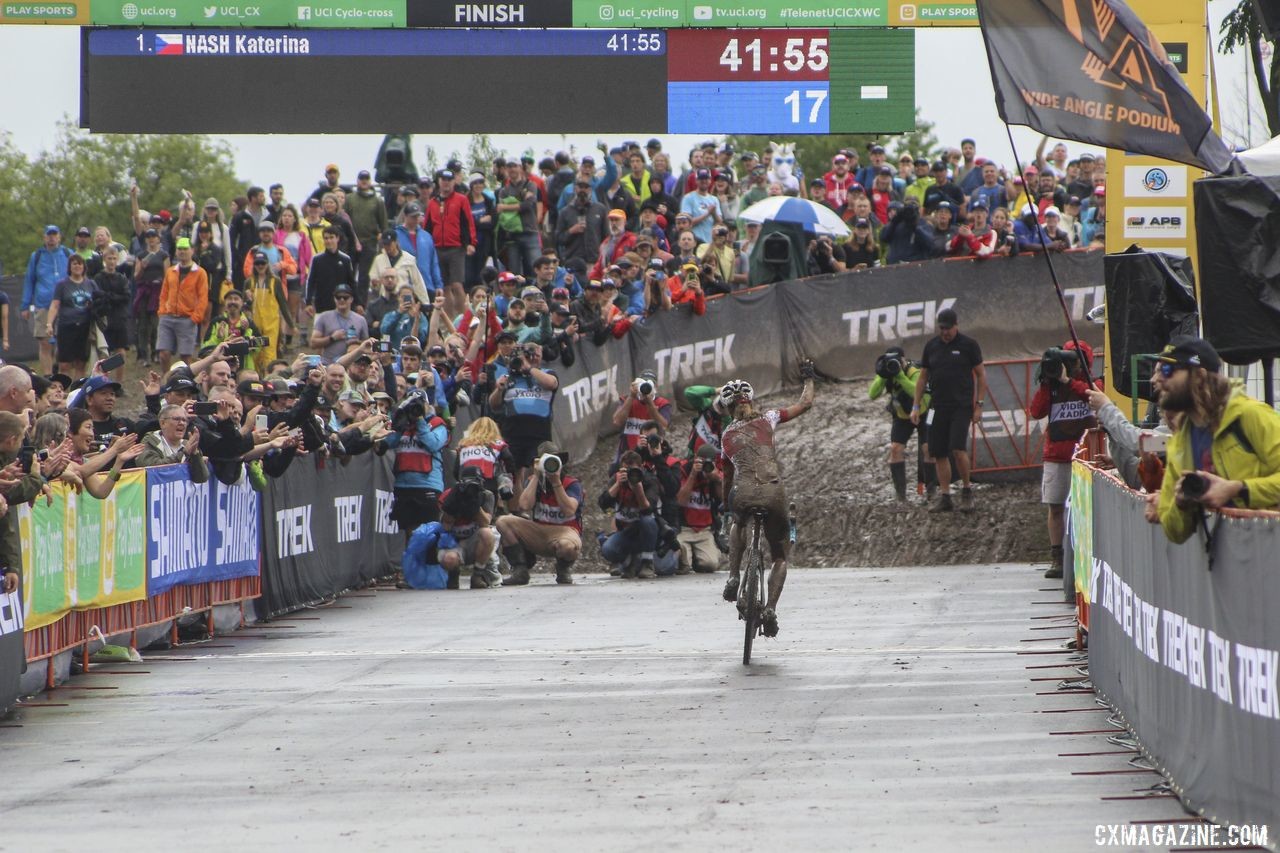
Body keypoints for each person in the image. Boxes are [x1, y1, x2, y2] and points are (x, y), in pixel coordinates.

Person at [719, 361, 816, 639]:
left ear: (728, 409)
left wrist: (728, 506)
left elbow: (726, 480)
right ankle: (771, 607)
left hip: (744, 492)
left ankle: (734, 576)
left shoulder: (725, 436)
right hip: (773, 493)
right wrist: (808, 377)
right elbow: (805, 403)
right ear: (751, 401)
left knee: (738, 522)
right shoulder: (769, 417)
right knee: (780, 555)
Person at [1154, 337, 1280, 544]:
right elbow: (1174, 532)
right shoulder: (1180, 441)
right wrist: (1181, 504)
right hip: (1228, 567)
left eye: (1167, 370)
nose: (1156, 379)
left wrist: (1239, 489)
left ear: (1199, 376)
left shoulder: (1250, 416)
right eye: (1157, 370)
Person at [1028, 341, 1098, 578]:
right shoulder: (1053, 386)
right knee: (1055, 507)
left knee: (1086, 509)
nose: (1069, 366)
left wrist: (1070, 381)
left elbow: (1094, 397)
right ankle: (1057, 557)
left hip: (1086, 457)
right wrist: (1048, 383)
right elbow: (1036, 411)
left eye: (1074, 361)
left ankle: (1085, 555)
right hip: (1057, 455)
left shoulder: (1092, 383)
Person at [912, 308, 987, 513]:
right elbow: (923, 377)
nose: (945, 332)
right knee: (938, 451)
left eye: (948, 328)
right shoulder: (931, 347)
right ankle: (945, 495)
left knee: (957, 449)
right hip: (937, 407)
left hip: (961, 407)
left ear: (956, 326)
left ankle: (966, 489)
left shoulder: (968, 345)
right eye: (942, 328)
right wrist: (916, 406)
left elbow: (981, 375)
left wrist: (978, 405)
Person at [496, 441, 582, 585]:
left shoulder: (571, 484)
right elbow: (523, 505)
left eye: (553, 461)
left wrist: (556, 482)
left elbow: (569, 510)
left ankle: (563, 569)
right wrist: (536, 476)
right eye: (545, 462)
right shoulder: (533, 481)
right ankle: (520, 570)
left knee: (567, 547)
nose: (550, 466)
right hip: (538, 531)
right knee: (503, 521)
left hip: (565, 532)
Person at [486, 341, 558, 487]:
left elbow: (551, 384)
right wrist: (499, 389)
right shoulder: (509, 377)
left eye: (536, 356)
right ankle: (517, 509)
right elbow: (493, 404)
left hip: (539, 433)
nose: (533, 358)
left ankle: (535, 503)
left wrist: (529, 368)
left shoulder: (546, 373)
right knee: (514, 473)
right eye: (529, 356)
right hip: (513, 433)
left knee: (542, 471)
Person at [869, 347, 935, 502]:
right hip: (902, 415)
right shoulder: (887, 371)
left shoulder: (914, 371)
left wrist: (900, 376)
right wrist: (882, 376)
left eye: (898, 361)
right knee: (895, 449)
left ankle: (931, 491)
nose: (895, 364)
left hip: (925, 412)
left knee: (928, 449)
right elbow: (872, 394)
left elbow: (915, 391)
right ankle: (901, 496)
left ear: (904, 360)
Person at [24, 224, 73, 373]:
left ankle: (60, 373)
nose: (52, 238)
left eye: (54, 235)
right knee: (45, 342)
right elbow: (29, 280)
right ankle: (47, 377)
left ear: (59, 236)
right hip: (43, 304)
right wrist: (25, 305)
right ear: (45, 237)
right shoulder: (37, 256)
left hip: (65, 305)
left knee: (63, 343)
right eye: (49, 235)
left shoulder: (67, 253)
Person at [156, 237, 210, 374]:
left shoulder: (200, 273)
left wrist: (195, 318)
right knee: (163, 354)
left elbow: (203, 298)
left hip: (187, 318)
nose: (182, 251)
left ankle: (186, 381)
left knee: (186, 356)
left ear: (192, 250)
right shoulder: (171, 271)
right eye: (179, 249)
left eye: (185, 248)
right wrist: (162, 311)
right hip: (167, 317)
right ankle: (166, 379)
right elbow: (164, 293)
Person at [47, 253, 99, 378]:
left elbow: (99, 303)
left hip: (84, 327)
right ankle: (64, 392)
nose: (77, 266)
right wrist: (49, 324)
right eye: (74, 263)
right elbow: (54, 305)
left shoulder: (91, 284)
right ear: (69, 266)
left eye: (80, 263)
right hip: (66, 326)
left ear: (84, 266)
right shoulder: (62, 284)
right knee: (64, 364)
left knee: (81, 363)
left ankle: (77, 392)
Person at [676, 445, 725, 574]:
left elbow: (725, 502)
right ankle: (688, 558)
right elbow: (681, 501)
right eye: (703, 462)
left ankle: (700, 558)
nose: (706, 466)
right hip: (684, 529)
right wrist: (693, 475)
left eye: (709, 463)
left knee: (711, 564)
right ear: (696, 460)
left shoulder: (715, 474)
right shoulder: (685, 470)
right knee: (683, 564)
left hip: (705, 530)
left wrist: (718, 480)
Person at [245, 250, 295, 363]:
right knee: (256, 353)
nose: (260, 266)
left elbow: (283, 304)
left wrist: (291, 324)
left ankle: (269, 377)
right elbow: (244, 306)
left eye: (262, 263)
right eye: (257, 263)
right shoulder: (249, 282)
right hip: (255, 325)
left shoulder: (275, 281)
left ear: (267, 264)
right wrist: (247, 299)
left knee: (270, 353)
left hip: (271, 324)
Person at [137, 403, 209, 481]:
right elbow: (151, 468)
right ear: (163, 423)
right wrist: (183, 454)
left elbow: (202, 478)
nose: (182, 423)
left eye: (184, 420)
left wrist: (195, 455)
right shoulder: (150, 441)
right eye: (176, 419)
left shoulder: (187, 444)